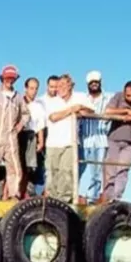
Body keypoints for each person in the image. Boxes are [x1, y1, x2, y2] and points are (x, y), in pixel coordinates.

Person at [44, 74, 93, 203]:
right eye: (59, 86)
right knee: (52, 172)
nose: (60, 88)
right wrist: (71, 110)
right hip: (53, 142)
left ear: (70, 85)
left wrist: (80, 109)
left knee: (66, 172)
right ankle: (52, 200)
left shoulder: (80, 97)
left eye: (63, 85)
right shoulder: (53, 101)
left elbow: (90, 111)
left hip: (70, 142)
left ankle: (64, 200)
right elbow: (53, 117)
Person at [0, 64, 28, 200]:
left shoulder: (18, 97)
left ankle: (14, 194)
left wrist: (20, 125)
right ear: (2, 78)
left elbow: (26, 114)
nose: (9, 81)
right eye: (7, 78)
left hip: (11, 136)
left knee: (14, 166)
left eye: (12, 78)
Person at [77, 70, 111, 204]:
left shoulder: (108, 98)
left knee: (96, 173)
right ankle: (74, 195)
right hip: (84, 139)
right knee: (78, 169)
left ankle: (93, 198)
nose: (94, 85)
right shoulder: (83, 98)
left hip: (101, 139)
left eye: (96, 82)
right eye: (91, 83)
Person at [20, 76, 45, 197]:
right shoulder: (18, 101)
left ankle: (25, 193)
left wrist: (41, 141)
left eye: (36, 88)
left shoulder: (38, 106)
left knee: (29, 167)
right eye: (31, 88)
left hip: (31, 135)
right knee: (17, 166)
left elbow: (40, 125)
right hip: (19, 135)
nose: (33, 91)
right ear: (25, 88)